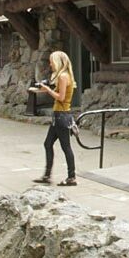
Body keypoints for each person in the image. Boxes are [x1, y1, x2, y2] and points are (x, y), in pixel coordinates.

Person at [32, 51, 78, 186]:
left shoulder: (63, 76)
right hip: (59, 115)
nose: (50, 64)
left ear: (58, 62)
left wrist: (47, 89)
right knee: (48, 144)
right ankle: (47, 175)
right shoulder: (63, 76)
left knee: (66, 147)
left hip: (61, 116)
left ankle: (71, 177)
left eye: (52, 61)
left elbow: (61, 97)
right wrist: (43, 89)